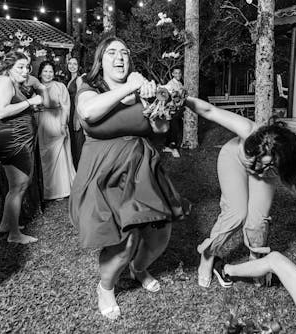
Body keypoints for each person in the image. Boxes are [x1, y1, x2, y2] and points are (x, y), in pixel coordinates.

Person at [70, 37, 190, 320]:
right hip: (105, 173)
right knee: (126, 240)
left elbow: (160, 128)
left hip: (141, 170)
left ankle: (138, 268)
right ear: (101, 60)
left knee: (161, 234)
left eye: (124, 52)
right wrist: (130, 86)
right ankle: (106, 287)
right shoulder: (89, 86)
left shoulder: (142, 90)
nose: (119, 56)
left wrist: (162, 102)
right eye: (111, 52)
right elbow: (87, 111)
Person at [183, 97, 296, 289]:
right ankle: (208, 255)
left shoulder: (295, 159)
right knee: (236, 213)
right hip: (234, 160)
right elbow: (209, 110)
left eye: (266, 163)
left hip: (267, 177)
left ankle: (256, 261)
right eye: (256, 158)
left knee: (257, 221)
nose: (257, 166)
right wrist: (181, 98)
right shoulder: (249, 129)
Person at [0, 51, 49, 244]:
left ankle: (5, 224)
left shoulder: (12, 83)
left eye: (27, 67)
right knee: (18, 186)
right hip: (13, 141)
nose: (25, 70)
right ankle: (14, 234)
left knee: (18, 185)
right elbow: (1, 112)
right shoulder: (4, 81)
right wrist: (30, 102)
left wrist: (28, 106)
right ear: (8, 67)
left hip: (19, 139)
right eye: (20, 67)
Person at [36, 60, 76, 200]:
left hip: (57, 121)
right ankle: (47, 190)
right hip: (41, 124)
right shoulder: (36, 87)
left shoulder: (60, 86)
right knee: (45, 157)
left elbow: (66, 107)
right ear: (40, 72)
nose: (48, 74)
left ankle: (61, 190)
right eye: (45, 71)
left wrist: (63, 124)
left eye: (50, 71)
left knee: (59, 156)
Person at [65, 56, 85, 169]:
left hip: (76, 113)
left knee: (78, 144)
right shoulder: (69, 79)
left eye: (75, 64)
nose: (72, 66)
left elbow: (79, 98)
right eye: (70, 64)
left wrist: (77, 118)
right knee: (72, 143)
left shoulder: (78, 79)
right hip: (70, 112)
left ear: (79, 66)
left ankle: (80, 169)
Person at [162, 67, 184, 158]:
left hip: (178, 110)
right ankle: (174, 148)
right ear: (172, 74)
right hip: (172, 111)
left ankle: (166, 146)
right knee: (175, 129)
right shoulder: (170, 84)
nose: (178, 74)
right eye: (176, 73)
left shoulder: (179, 83)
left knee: (172, 129)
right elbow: (166, 96)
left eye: (179, 73)